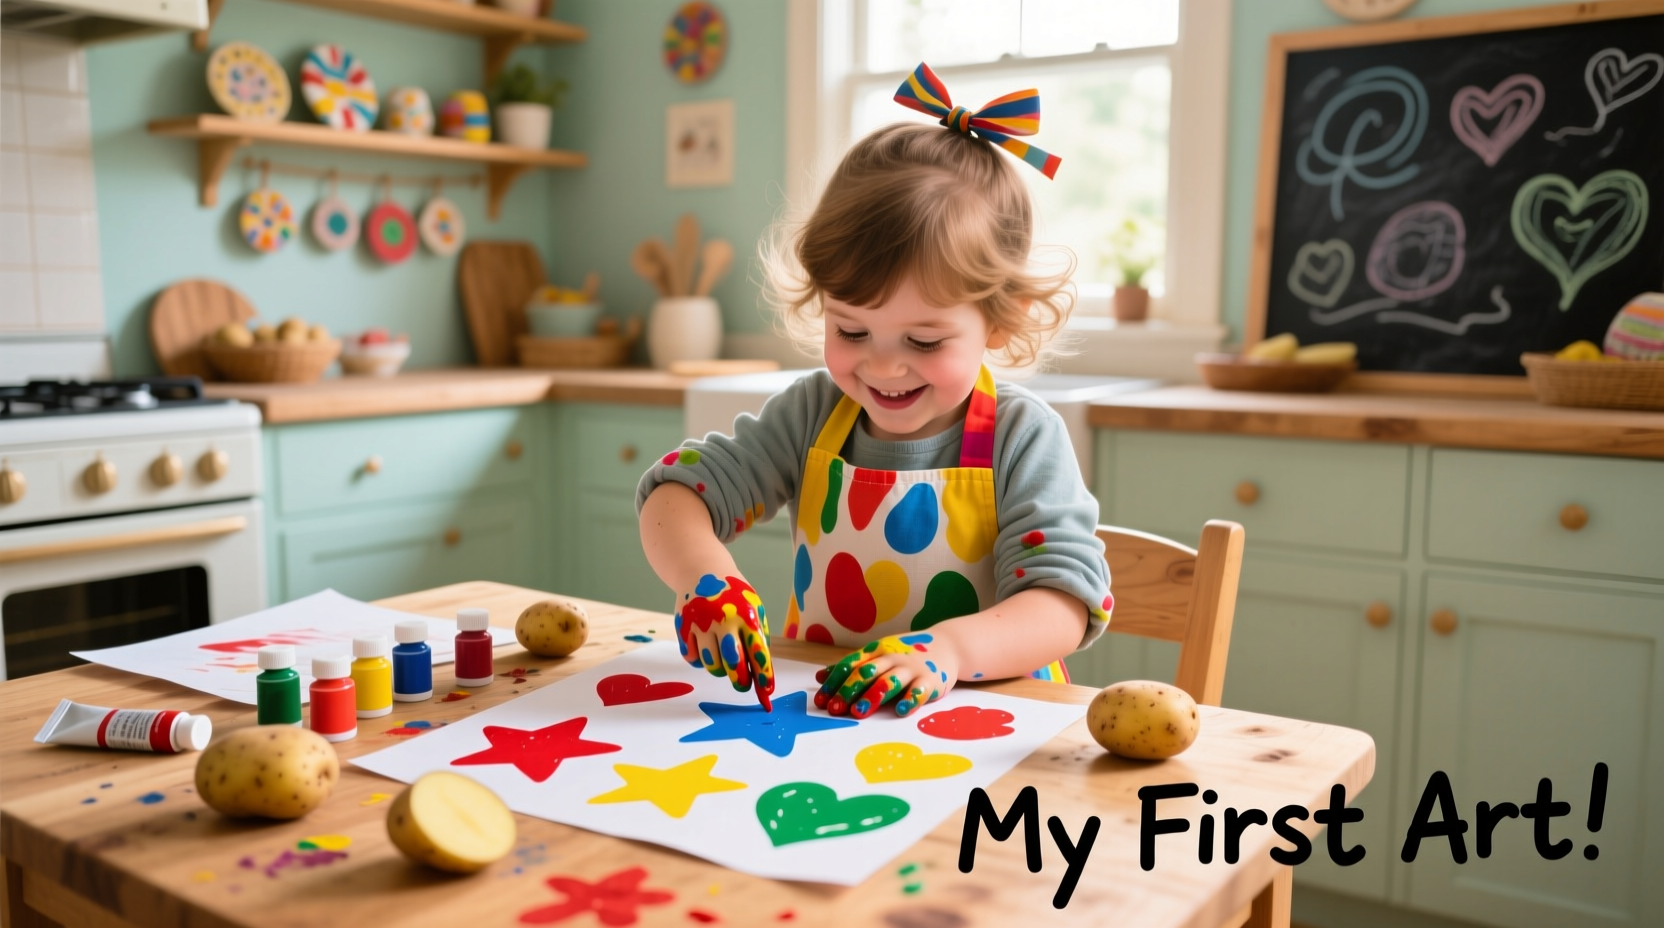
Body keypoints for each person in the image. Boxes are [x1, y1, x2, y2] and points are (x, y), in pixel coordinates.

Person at [636, 63, 1112, 721]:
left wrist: (949, 650)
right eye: (851, 330)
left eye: (924, 341)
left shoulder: (1021, 435)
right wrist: (706, 579)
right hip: (831, 724)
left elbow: (1062, 605)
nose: (883, 367)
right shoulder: (814, 413)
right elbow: (676, 495)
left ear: (1001, 321)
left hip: (985, 727)